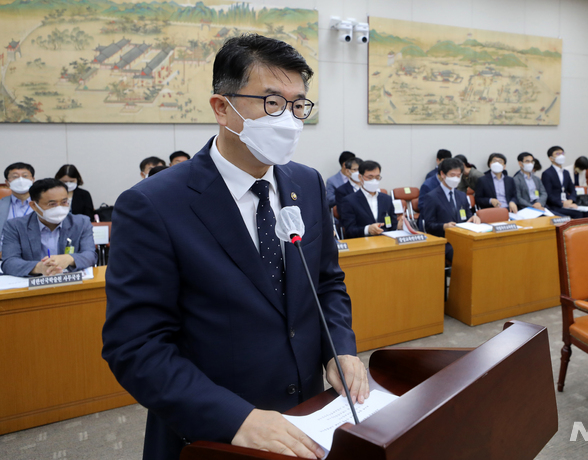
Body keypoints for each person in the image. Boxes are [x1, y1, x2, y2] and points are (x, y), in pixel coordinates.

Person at [102, 34, 367, 460]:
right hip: (215, 436)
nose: (289, 119)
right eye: (271, 102)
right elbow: (136, 347)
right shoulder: (153, 204)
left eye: (298, 104)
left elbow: (327, 284)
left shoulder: (307, 183)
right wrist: (235, 418)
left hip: (308, 419)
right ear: (221, 107)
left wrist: (340, 350)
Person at [1, 179, 96, 276]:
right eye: (52, 204)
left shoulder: (81, 222)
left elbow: (90, 255)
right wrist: (39, 267)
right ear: (34, 205)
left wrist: (69, 259)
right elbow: (9, 262)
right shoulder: (15, 226)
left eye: (64, 202)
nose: (59, 208)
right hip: (33, 283)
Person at [422, 158, 481, 263]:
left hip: (464, 238)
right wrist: (444, 226)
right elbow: (428, 225)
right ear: (443, 174)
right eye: (452, 175)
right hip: (445, 241)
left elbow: (467, 217)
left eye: (458, 176)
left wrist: (473, 217)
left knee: (480, 251)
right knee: (464, 255)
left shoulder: (462, 195)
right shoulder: (431, 197)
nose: (456, 179)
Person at [339, 160, 397, 239]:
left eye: (377, 177)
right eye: (370, 177)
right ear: (360, 177)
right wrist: (367, 229)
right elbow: (349, 230)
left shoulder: (387, 199)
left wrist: (400, 225)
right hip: (363, 242)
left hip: (385, 241)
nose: (374, 181)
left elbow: (392, 225)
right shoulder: (349, 201)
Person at [541, 146, 588, 219]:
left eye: (562, 153)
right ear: (551, 158)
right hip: (556, 205)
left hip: (568, 203)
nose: (561, 156)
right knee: (578, 214)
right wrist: (562, 203)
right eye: (557, 154)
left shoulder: (566, 172)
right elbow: (548, 194)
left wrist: (571, 200)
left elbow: (572, 189)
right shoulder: (547, 173)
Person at [0, 162, 35, 256]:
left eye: (25, 176)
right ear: (7, 182)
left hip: (37, 256)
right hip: (5, 256)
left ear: (33, 180)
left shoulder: (43, 204)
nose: (20, 180)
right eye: (15, 176)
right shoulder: (1, 204)